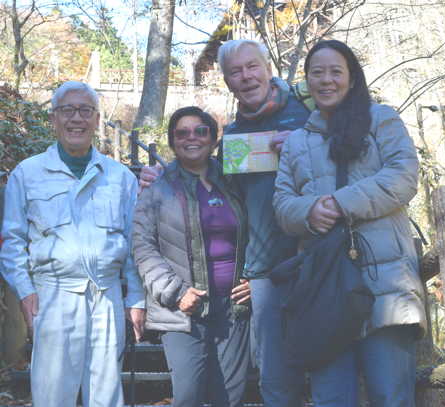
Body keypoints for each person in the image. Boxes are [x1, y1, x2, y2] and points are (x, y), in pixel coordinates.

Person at [140, 39, 310, 407]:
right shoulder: (234, 143)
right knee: (252, 379)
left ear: (267, 67)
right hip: (218, 296)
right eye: (235, 71)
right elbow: (144, 246)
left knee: (303, 372)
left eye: (252, 66)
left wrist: (305, 143)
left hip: (306, 263)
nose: (246, 76)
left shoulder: (310, 115)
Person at [273, 40, 427, 407]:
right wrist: (309, 212)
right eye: (317, 73)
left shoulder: (382, 120)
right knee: (331, 399)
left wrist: (341, 204)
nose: (326, 80)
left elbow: (403, 177)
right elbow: (281, 205)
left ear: (352, 78)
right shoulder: (297, 142)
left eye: (335, 71)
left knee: (391, 395)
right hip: (325, 290)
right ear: (306, 81)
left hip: (385, 284)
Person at [0, 81, 145, 407]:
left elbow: (136, 244)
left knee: (106, 396)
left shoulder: (120, 177)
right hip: (52, 296)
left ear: (96, 120)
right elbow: (12, 241)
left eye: (85, 111)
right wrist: (24, 291)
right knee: (53, 396)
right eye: (67, 110)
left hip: (106, 296)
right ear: (54, 119)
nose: (76, 119)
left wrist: (136, 298)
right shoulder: (28, 173)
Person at [132, 106, 251, 407]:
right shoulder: (157, 190)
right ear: (172, 142)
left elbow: (260, 228)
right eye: (182, 133)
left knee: (231, 397)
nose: (192, 138)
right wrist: (175, 292)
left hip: (234, 308)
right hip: (184, 311)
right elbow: (143, 247)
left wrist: (255, 277)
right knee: (188, 397)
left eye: (201, 131)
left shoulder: (235, 181)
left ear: (213, 139)